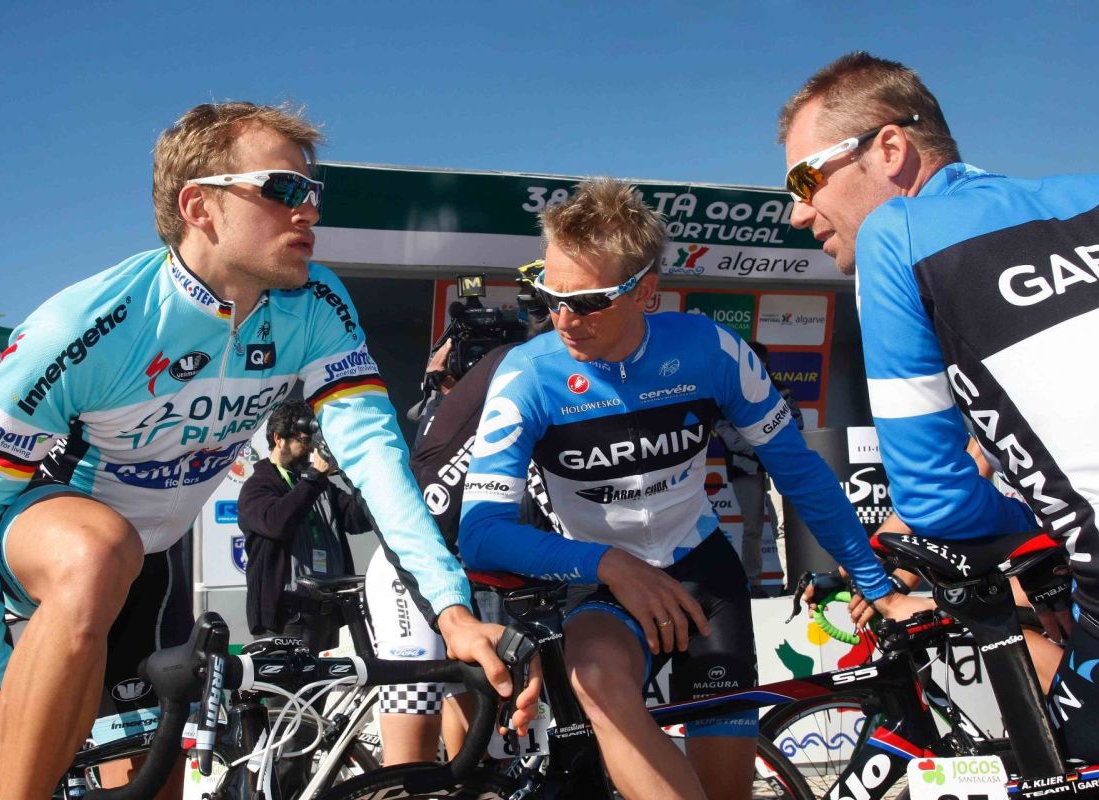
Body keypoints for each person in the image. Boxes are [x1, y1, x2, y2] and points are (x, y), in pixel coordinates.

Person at [0, 101, 537, 798]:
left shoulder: (316, 303)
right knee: (99, 550)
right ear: (200, 206)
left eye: (314, 191)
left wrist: (451, 612)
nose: (309, 210)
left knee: (154, 780)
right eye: (283, 189)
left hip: (151, 566)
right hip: (45, 547)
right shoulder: (93, 324)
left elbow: (377, 461)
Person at [458, 179, 924, 800]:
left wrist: (874, 583)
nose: (564, 319)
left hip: (702, 574)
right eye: (550, 294)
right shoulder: (529, 375)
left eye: (589, 302)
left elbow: (799, 470)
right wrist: (608, 562)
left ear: (645, 292)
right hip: (597, 581)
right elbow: (480, 534)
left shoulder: (710, 350)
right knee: (596, 678)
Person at [778, 52, 1099, 760]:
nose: (797, 211)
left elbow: (938, 504)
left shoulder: (898, 233)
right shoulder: (1087, 192)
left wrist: (1045, 542)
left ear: (890, 148)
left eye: (804, 180)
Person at [367, 272, 556, 764]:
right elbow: (426, 494)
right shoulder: (455, 407)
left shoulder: (534, 398)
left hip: (483, 576)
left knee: (482, 746)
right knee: (413, 753)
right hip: (415, 569)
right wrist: (440, 393)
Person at [239, 398, 373, 648]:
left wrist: (359, 471)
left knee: (329, 676)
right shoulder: (258, 486)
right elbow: (277, 523)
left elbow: (357, 519)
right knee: (288, 675)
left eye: (313, 442)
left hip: (327, 611)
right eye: (304, 441)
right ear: (279, 439)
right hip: (288, 615)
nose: (310, 449)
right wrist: (314, 477)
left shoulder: (317, 485)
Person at [714, 340, 802, 596]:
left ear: (766, 363)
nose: (756, 366)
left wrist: (771, 450)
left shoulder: (781, 392)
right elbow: (725, 432)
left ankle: (791, 581)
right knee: (752, 528)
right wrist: (761, 448)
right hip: (745, 469)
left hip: (778, 468)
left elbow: (796, 425)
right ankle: (752, 584)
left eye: (760, 362)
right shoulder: (729, 393)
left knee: (783, 526)